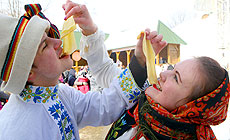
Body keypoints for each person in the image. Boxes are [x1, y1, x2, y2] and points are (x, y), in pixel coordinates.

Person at [0, 1, 166, 140]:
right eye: (45, 45)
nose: (57, 42)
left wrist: (140, 61)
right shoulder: (15, 131)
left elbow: (104, 106)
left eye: (50, 36)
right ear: (27, 72)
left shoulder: (61, 93)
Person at [79, 15, 230, 140]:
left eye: (176, 78)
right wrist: (140, 61)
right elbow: (105, 71)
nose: (163, 74)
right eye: (172, 69)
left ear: (190, 107)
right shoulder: (141, 97)